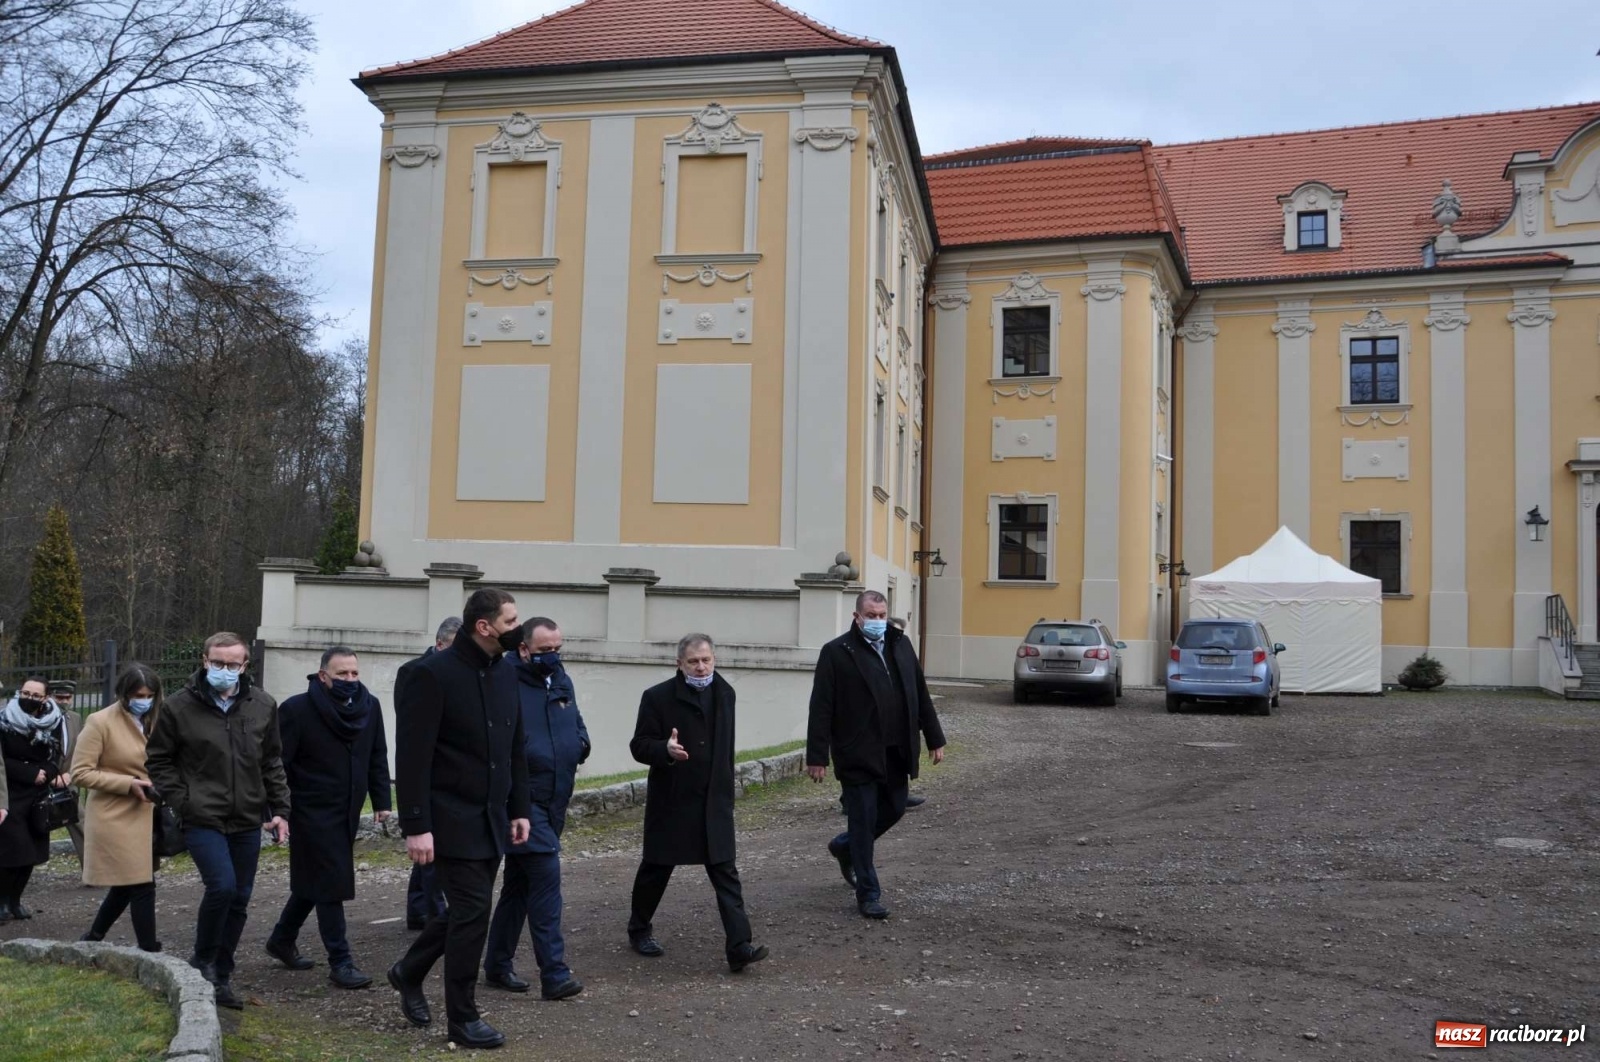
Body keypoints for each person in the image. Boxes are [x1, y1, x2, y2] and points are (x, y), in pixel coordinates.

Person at [389, 588, 530, 1051]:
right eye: (510, 621)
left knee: (467, 910)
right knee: (472, 912)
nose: (518, 628)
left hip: (491, 816)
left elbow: (514, 748)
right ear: (484, 626)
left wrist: (519, 809)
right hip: (447, 817)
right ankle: (463, 1019)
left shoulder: (507, 671)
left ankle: (408, 972)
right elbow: (411, 757)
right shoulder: (429, 675)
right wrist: (415, 824)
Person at [146, 632, 290, 1010]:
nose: (224, 670)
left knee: (241, 897)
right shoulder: (178, 708)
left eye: (232, 664)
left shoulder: (262, 705)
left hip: (247, 816)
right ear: (204, 660)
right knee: (222, 887)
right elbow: (159, 760)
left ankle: (221, 972)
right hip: (202, 816)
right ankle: (203, 959)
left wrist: (280, 811)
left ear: (245, 666)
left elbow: (271, 760)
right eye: (217, 663)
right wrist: (183, 800)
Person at [626, 634, 767, 973]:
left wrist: (725, 793)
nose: (701, 667)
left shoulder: (725, 694)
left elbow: (726, 751)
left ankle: (739, 947)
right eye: (693, 661)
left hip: (714, 802)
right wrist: (665, 751)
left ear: (714, 659)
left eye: (706, 660)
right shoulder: (657, 697)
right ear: (679, 663)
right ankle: (639, 929)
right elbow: (639, 745)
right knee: (656, 869)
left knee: (726, 873)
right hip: (672, 801)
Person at [806, 590, 946, 919]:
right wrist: (817, 756)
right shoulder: (837, 652)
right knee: (863, 818)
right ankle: (868, 894)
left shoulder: (900, 644)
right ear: (857, 617)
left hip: (897, 748)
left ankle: (845, 846)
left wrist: (934, 738)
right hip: (857, 751)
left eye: (882, 615)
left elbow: (920, 693)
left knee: (895, 808)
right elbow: (821, 707)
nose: (877, 621)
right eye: (871, 615)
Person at [265, 647, 392, 989]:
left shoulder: (370, 707)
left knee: (316, 880)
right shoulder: (296, 710)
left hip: (348, 809)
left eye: (354, 673)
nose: (350, 680)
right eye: (342, 675)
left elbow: (377, 755)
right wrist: (278, 810)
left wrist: (382, 800)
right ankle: (341, 961)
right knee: (331, 883)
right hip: (310, 811)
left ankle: (281, 939)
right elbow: (278, 764)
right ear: (323, 676)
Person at [483, 617, 589, 1000]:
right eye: (545, 651)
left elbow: (574, 719)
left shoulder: (560, 679)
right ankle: (554, 974)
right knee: (546, 880)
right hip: (522, 804)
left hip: (555, 797)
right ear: (523, 649)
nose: (553, 657)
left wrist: (581, 743)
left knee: (519, 886)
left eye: (558, 649)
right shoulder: (503, 680)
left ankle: (496, 964)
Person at [73, 664, 164, 952]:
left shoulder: (157, 719)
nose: (144, 700)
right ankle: (149, 949)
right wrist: (128, 783)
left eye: (150, 694)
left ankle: (93, 937)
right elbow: (81, 773)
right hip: (114, 814)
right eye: (138, 694)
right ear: (124, 694)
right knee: (141, 883)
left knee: (128, 882)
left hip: (148, 811)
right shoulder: (100, 722)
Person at [397, 616, 459, 930]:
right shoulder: (413, 673)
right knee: (433, 847)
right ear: (439, 645)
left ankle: (419, 910)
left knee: (431, 848)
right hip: (430, 770)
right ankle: (434, 912)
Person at [0, 677, 71, 923]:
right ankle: (1, 901)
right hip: (11, 792)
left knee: (32, 852)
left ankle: (15, 900)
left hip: (39, 797)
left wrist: (47, 773)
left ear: (45, 698)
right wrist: (30, 773)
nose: (28, 698)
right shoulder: (4, 720)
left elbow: (58, 755)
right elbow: (1, 761)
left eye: (35, 695)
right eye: (25, 693)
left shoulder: (54, 722)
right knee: (12, 852)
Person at [47, 679, 87, 861]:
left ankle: (93, 870)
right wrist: (49, 777)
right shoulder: (37, 719)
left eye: (67, 697)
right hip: (40, 783)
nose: (63, 701)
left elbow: (80, 750)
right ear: (49, 697)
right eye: (59, 697)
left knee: (82, 824)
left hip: (66, 782)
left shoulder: (75, 719)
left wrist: (70, 773)